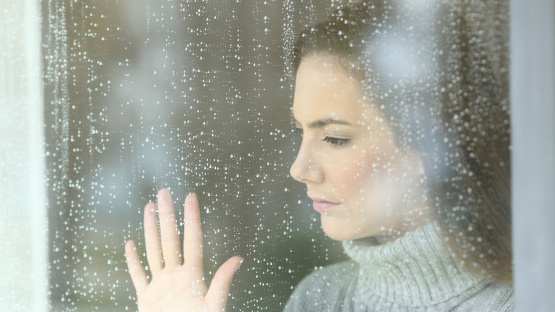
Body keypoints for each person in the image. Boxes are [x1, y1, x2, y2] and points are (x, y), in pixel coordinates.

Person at [125, 1, 513, 311]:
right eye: (301, 131)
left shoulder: (530, 299)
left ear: (432, 142)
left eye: (334, 138)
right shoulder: (320, 299)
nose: (299, 168)